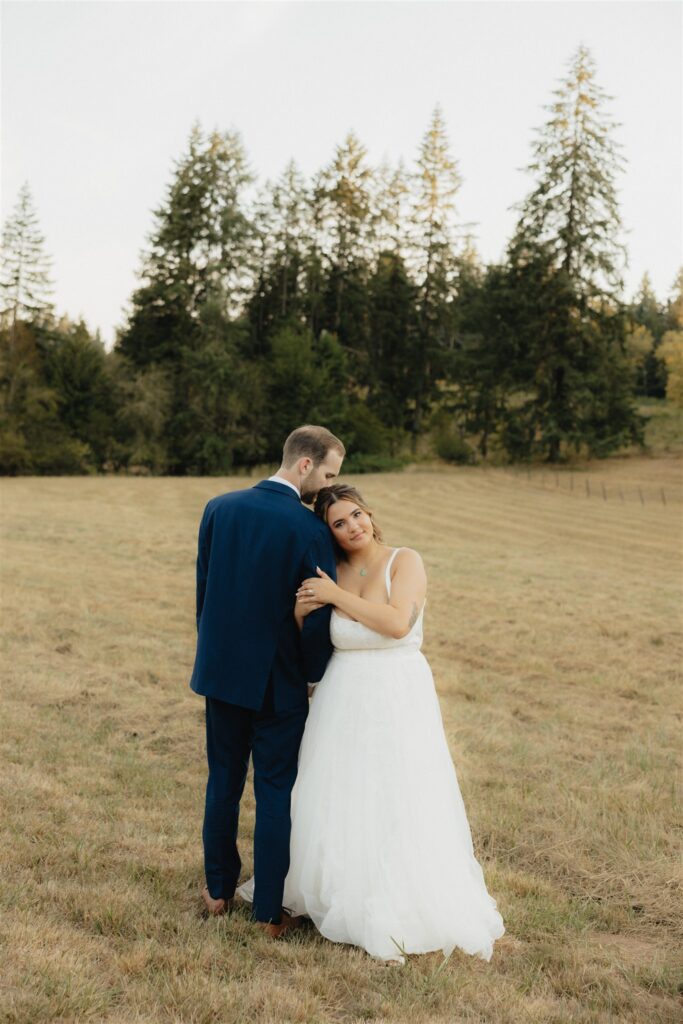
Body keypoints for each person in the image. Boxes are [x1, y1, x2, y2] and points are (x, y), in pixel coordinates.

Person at [238, 482, 505, 962]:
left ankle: (396, 897)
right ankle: (329, 891)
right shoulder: (332, 570)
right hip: (341, 696)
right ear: (331, 533)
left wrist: (336, 595)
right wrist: (302, 616)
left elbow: (397, 623)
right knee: (335, 792)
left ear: (369, 513)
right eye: (339, 523)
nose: (352, 527)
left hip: (397, 694)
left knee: (397, 791)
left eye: (356, 515)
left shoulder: (405, 560)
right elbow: (316, 650)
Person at [189, 425, 345, 937]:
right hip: (279, 682)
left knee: (223, 781)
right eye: (327, 474)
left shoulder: (219, 508)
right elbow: (317, 614)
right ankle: (268, 912)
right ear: (304, 465)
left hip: (222, 675)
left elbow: (205, 595)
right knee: (276, 791)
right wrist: (313, 673)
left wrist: (213, 659)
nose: (326, 487)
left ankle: (217, 890)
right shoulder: (309, 529)